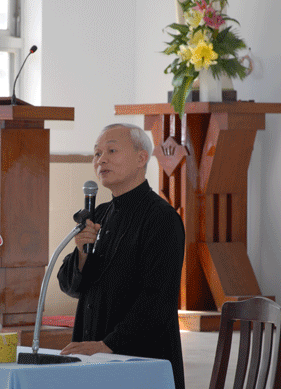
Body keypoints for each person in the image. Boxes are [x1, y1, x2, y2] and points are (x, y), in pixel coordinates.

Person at [57, 123, 186, 389]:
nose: (101, 160)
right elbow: (70, 286)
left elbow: (157, 299)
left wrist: (108, 345)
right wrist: (82, 254)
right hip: (93, 355)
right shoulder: (99, 215)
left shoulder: (161, 218)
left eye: (111, 151)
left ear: (141, 158)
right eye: (97, 153)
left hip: (140, 360)